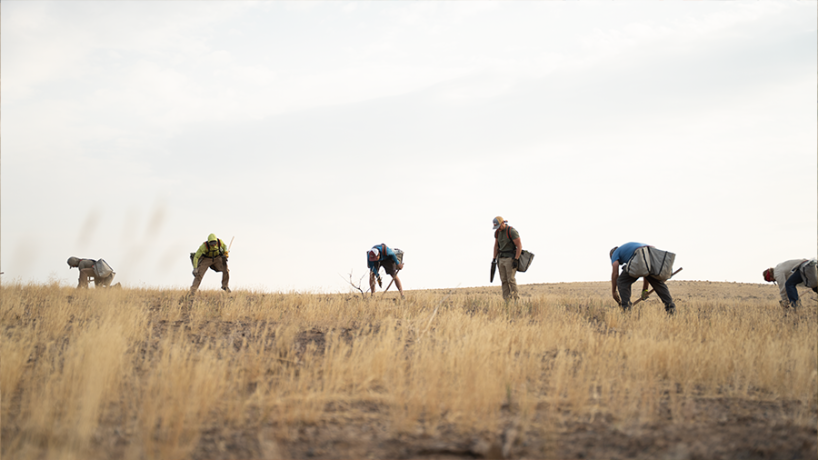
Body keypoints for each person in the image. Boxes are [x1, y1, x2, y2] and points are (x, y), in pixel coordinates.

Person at [610, 242, 676, 314]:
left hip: (640, 254)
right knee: (657, 283)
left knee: (622, 281)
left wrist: (613, 291)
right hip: (651, 253)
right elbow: (645, 272)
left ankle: (626, 309)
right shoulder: (628, 249)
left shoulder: (615, 253)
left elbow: (615, 273)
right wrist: (645, 290)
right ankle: (671, 309)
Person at [492, 216, 522, 301]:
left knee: (510, 280)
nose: (498, 229)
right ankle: (507, 301)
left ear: (502, 223)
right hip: (501, 258)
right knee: (504, 280)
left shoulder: (511, 231)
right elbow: (496, 246)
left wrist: (516, 259)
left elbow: (519, 246)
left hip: (510, 258)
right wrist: (494, 258)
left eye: (499, 226)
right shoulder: (497, 232)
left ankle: (516, 300)